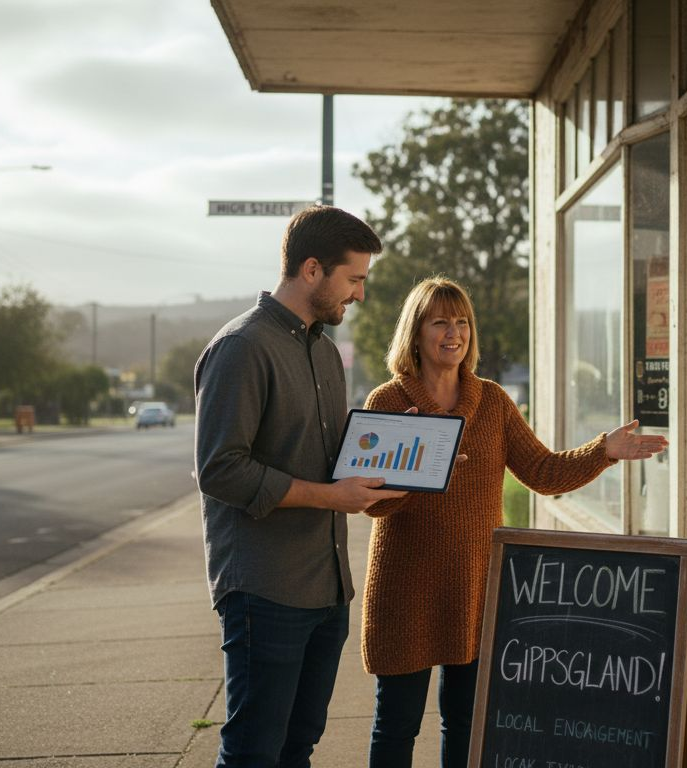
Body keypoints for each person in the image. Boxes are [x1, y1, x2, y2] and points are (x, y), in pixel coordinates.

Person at [358, 277, 668, 768]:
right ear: (415, 334)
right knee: (396, 726)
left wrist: (603, 450)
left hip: (477, 588)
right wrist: (419, 467)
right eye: (440, 321)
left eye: (462, 322)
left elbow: (543, 473)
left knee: (466, 723)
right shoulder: (388, 403)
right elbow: (371, 504)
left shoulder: (493, 402)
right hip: (406, 590)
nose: (453, 332)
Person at [194, 205, 407, 768]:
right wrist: (329, 497)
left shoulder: (323, 350)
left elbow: (325, 459)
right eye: (354, 279)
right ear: (312, 269)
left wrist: (381, 481)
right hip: (265, 589)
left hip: (327, 589)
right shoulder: (241, 346)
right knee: (253, 752)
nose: (359, 295)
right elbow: (219, 468)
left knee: (298, 745)